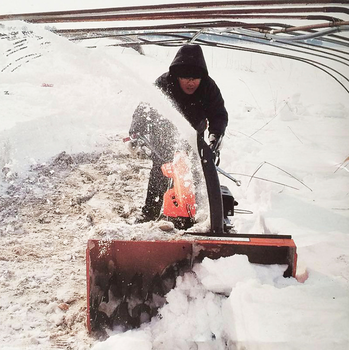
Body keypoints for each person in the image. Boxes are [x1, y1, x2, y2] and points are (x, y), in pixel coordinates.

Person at [130, 44, 228, 223]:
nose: (191, 83)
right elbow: (144, 108)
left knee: (196, 175)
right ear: (177, 75)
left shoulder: (208, 87)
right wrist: (137, 134)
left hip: (194, 138)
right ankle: (150, 213)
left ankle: (196, 216)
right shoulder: (164, 83)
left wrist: (215, 138)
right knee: (160, 172)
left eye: (195, 78)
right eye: (186, 77)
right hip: (164, 137)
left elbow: (218, 115)